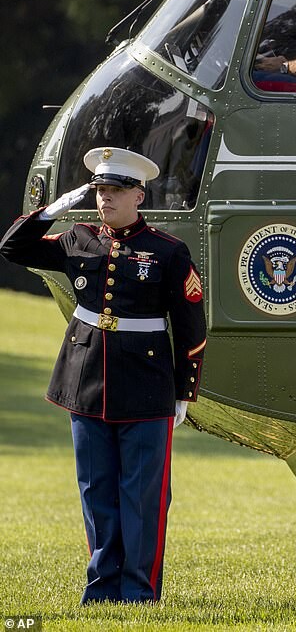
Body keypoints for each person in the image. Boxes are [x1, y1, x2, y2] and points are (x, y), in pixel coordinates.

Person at [0, 147, 207, 604]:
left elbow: (191, 324)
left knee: (143, 496)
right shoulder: (79, 238)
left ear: (139, 195)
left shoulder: (168, 251)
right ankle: (102, 587)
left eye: (115, 190)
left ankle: (138, 590)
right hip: (85, 378)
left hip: (147, 384)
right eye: (99, 190)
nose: (105, 199)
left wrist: (184, 391)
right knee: (96, 490)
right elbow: (12, 248)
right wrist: (51, 211)